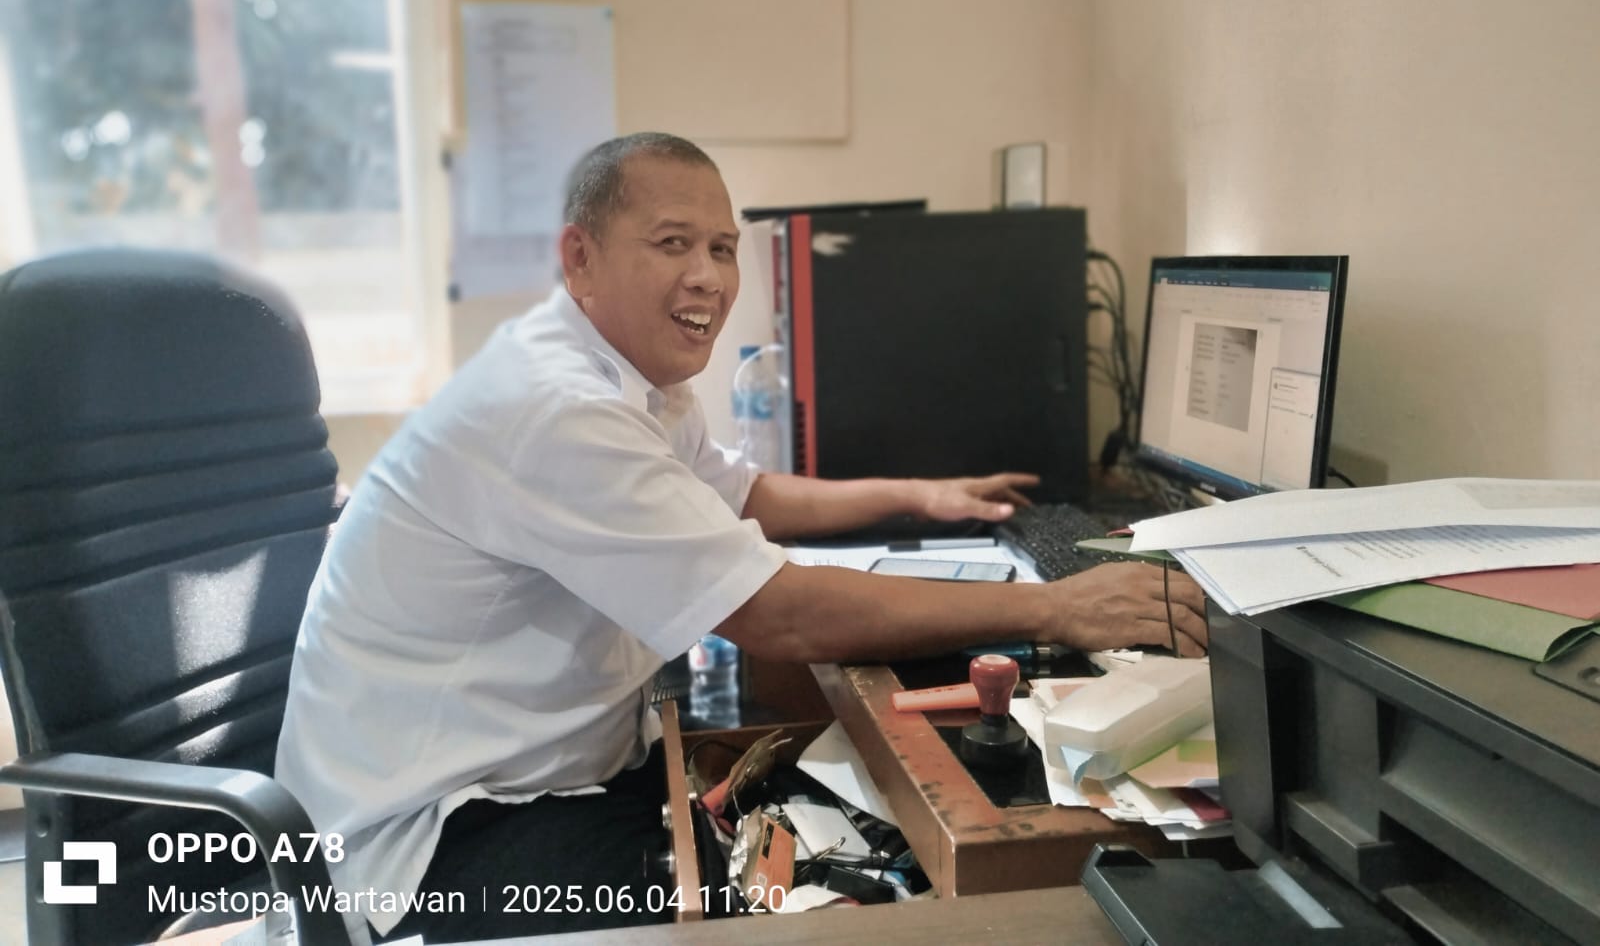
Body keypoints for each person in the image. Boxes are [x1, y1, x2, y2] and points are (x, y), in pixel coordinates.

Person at [275, 131, 1207, 944]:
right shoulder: (557, 408)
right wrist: (1057, 607)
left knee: (808, 833)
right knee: (786, 910)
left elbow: (744, 493)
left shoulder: (625, 376)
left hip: (540, 773)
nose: (710, 277)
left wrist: (921, 496)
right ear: (581, 256)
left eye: (722, 247)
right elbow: (777, 616)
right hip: (432, 839)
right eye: (672, 243)